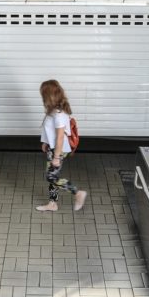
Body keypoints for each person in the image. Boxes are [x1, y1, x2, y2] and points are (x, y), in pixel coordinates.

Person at [36, 80, 87, 212]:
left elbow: (60, 137)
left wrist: (56, 157)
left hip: (58, 150)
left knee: (51, 177)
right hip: (52, 148)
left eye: (43, 94)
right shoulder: (54, 110)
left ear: (48, 96)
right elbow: (51, 131)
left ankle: (77, 193)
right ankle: (52, 204)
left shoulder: (59, 114)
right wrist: (46, 142)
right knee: (52, 176)